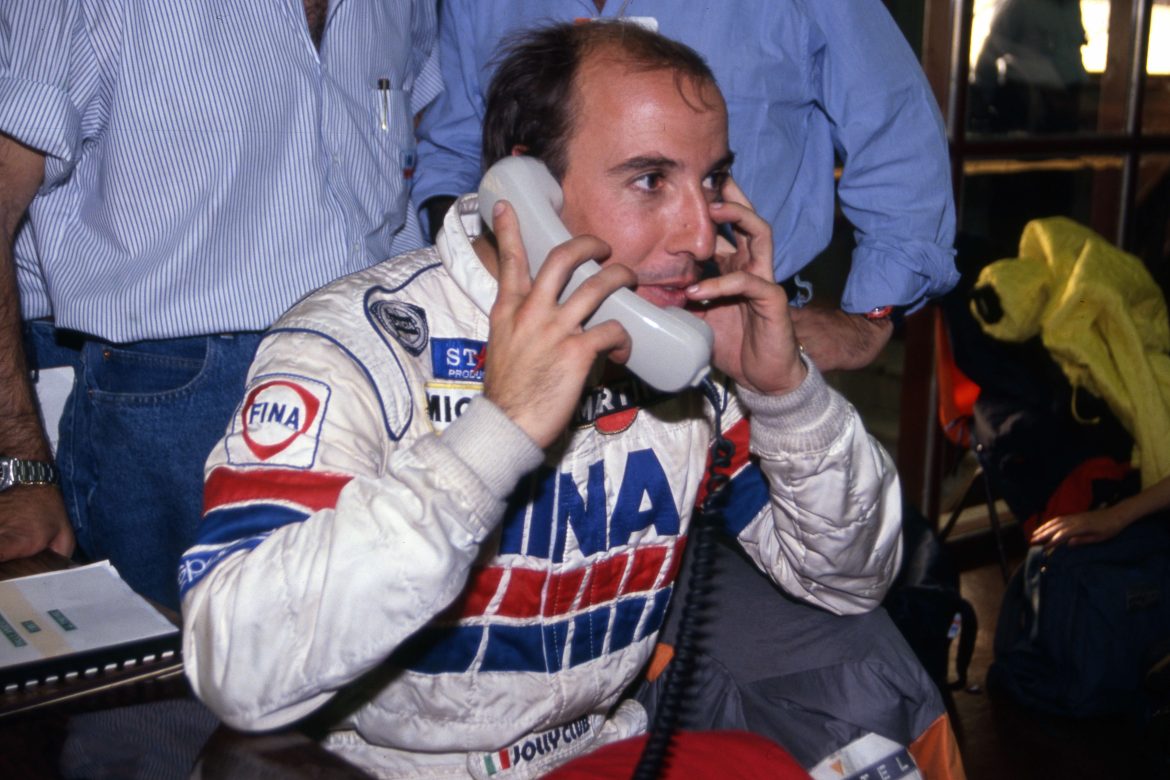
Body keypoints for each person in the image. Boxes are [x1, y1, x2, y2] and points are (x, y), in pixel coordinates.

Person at [180, 21, 904, 778]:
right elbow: (235, 666)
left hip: (603, 756)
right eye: (650, 181)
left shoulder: (690, 349)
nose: (699, 235)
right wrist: (496, 436)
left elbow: (848, 579)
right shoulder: (358, 347)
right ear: (528, 194)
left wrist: (784, 395)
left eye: (711, 181)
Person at [0, 1, 440, 609]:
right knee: (178, 666)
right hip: (165, 400)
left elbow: (402, 167)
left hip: (377, 381)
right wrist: (19, 467)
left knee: (350, 649)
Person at [411, 0, 958, 372]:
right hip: (535, 339)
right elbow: (454, 150)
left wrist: (870, 320)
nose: (696, 234)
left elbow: (897, 128)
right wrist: (472, 297)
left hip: (740, 341)